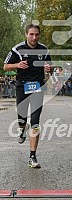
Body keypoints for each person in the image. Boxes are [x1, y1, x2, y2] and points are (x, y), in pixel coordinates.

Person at [4, 24, 52, 168]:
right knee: (22, 118)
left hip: (38, 86)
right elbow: (5, 66)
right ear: (26, 34)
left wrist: (49, 69)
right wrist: (17, 65)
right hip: (22, 86)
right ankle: (22, 129)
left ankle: (32, 156)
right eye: (31, 34)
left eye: (36, 34)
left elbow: (50, 67)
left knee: (36, 121)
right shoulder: (17, 49)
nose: (34, 37)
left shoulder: (44, 49)